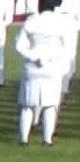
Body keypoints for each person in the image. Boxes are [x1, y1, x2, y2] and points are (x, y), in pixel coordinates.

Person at [15, 0, 72, 146]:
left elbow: (19, 45)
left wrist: (33, 56)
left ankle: (23, 139)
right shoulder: (61, 22)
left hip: (33, 67)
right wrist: (60, 64)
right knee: (50, 105)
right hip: (52, 67)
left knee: (27, 105)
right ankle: (47, 139)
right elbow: (67, 48)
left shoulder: (32, 21)